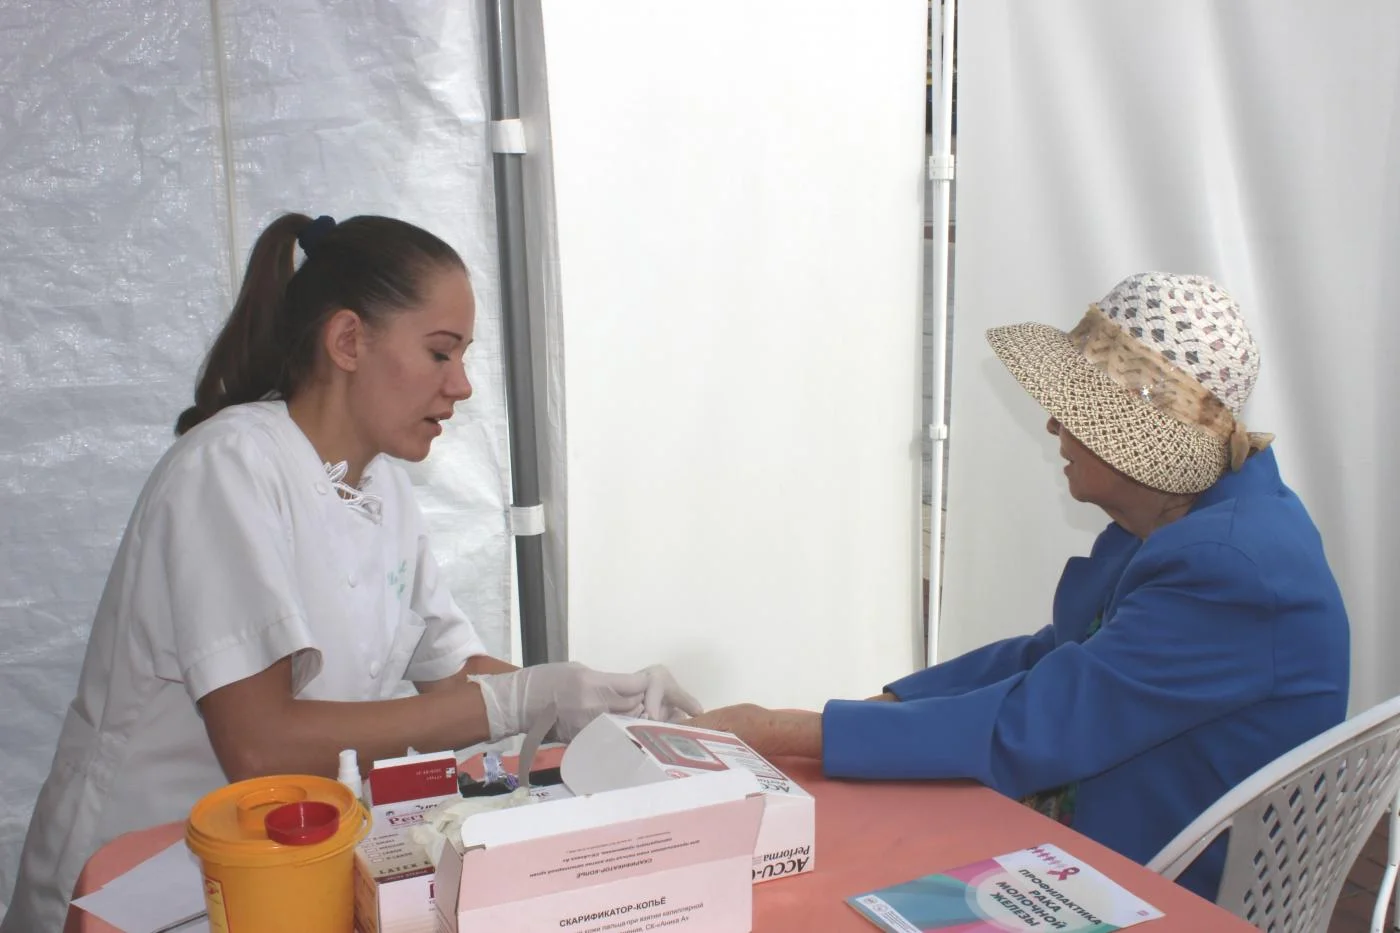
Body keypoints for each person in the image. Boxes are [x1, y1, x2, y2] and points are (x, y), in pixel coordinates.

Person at [3, 213, 701, 931]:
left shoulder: (381, 487)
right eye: (440, 352)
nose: (461, 385)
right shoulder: (229, 468)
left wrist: (589, 702)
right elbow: (261, 745)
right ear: (347, 341)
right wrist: (517, 700)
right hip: (147, 878)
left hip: (286, 867)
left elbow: (453, 673)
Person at [687, 271, 1350, 900]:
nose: (1055, 425)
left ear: (1134, 434)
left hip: (1163, 883)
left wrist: (785, 729)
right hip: (1125, 835)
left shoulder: (1227, 566)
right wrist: (880, 705)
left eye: (1077, 409)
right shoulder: (1192, 518)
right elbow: (1055, 657)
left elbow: (1034, 726)